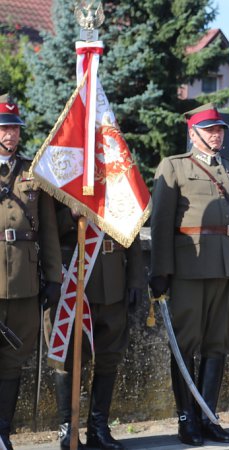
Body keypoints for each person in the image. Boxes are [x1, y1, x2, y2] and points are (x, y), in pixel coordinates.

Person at [149, 103, 229, 446]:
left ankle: (208, 417)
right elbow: (162, 223)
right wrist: (161, 270)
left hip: (228, 270)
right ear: (193, 133)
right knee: (185, 347)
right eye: (210, 129)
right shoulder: (174, 167)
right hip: (189, 270)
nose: (217, 134)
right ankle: (187, 420)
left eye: (220, 129)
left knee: (217, 346)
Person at [47, 203, 144, 450]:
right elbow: (45, 229)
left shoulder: (117, 175)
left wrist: (135, 279)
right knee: (68, 359)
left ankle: (98, 428)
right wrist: (70, 215)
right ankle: (67, 429)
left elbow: (132, 226)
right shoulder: (61, 170)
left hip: (113, 282)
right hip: (73, 280)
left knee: (109, 357)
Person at [0, 93, 62, 450]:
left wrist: (53, 277)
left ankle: (3, 431)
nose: (11, 134)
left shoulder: (33, 172)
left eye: (14, 128)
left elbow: (49, 232)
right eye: (5, 128)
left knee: (13, 361)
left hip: (25, 283)